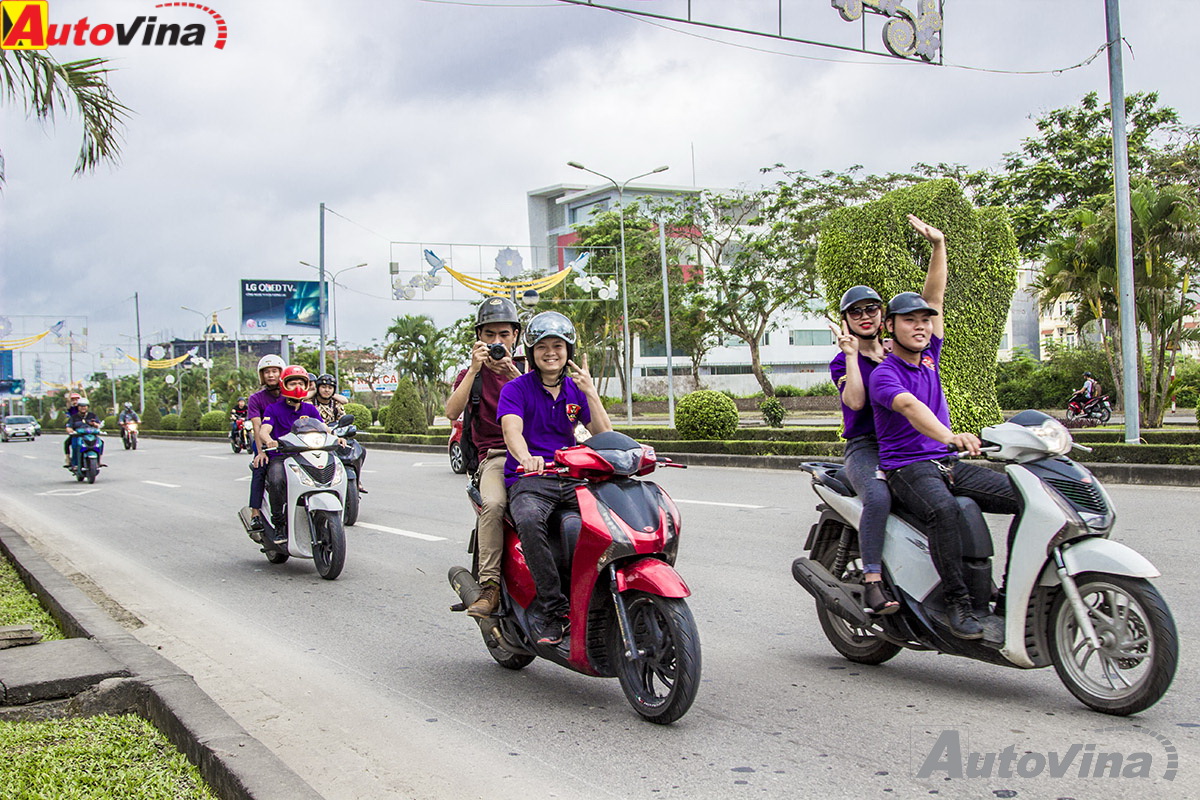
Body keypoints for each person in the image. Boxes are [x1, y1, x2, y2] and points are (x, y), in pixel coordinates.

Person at [868, 216, 1019, 640]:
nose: (921, 326)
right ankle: (957, 604)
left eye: (925, 321)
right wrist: (950, 436)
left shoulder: (930, 354)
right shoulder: (885, 374)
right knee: (946, 512)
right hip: (908, 469)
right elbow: (911, 408)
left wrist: (939, 245)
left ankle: (1008, 595)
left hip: (946, 463)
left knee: (1027, 496)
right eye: (910, 321)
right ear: (890, 328)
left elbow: (935, 294)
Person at [498, 311, 612, 646]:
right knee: (531, 521)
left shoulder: (576, 390)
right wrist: (526, 458)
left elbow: (604, 435)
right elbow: (511, 431)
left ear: (568, 351)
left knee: (606, 524)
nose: (551, 352)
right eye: (543, 346)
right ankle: (551, 608)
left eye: (558, 346)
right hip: (531, 477)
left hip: (573, 475)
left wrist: (591, 392)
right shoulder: (516, 389)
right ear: (531, 352)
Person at [444, 297, 524, 619]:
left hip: (537, 454)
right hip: (496, 456)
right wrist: (475, 368)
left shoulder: (527, 370)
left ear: (515, 336)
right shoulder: (471, 374)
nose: (496, 342)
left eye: (503, 334)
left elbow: (545, 411)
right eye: (489, 335)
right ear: (479, 337)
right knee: (493, 505)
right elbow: (451, 411)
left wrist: (513, 373)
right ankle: (489, 587)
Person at [829, 285, 897, 615]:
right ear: (845, 321)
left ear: (883, 315)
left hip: (903, 446)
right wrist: (853, 355)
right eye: (855, 312)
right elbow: (855, 401)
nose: (865, 317)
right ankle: (872, 580)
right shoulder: (842, 362)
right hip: (865, 448)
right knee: (879, 496)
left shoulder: (898, 352)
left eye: (871, 309)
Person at [253, 365, 321, 542]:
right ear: (284, 385)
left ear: (307, 385)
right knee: (276, 481)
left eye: (300, 382)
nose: (297, 386)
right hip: (281, 457)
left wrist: (337, 438)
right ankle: (279, 524)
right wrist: (269, 440)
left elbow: (325, 429)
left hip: (307, 456)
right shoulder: (273, 409)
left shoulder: (310, 409)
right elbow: (264, 429)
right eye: (292, 383)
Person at [245, 354, 286, 530]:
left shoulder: (289, 394)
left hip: (289, 442)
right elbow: (257, 426)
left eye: (274, 371)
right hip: (266, 443)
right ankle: (255, 513)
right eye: (267, 372)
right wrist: (261, 451)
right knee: (260, 468)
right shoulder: (256, 399)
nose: (271, 375)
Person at [65, 398, 101, 468]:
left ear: (87, 407)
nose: (83, 408)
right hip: (78, 436)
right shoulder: (74, 417)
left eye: (85, 406)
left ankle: (99, 461)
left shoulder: (92, 416)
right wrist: (70, 430)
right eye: (81, 406)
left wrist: (94, 424)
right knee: (74, 445)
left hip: (91, 435)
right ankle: (73, 462)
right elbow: (68, 426)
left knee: (100, 443)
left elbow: (99, 425)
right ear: (78, 407)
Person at [62, 392, 83, 467]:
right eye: (73, 400)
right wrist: (70, 391)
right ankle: (68, 459)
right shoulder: (72, 409)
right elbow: (68, 403)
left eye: (77, 399)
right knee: (67, 443)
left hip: (85, 430)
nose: (75, 401)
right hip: (75, 430)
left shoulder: (84, 408)